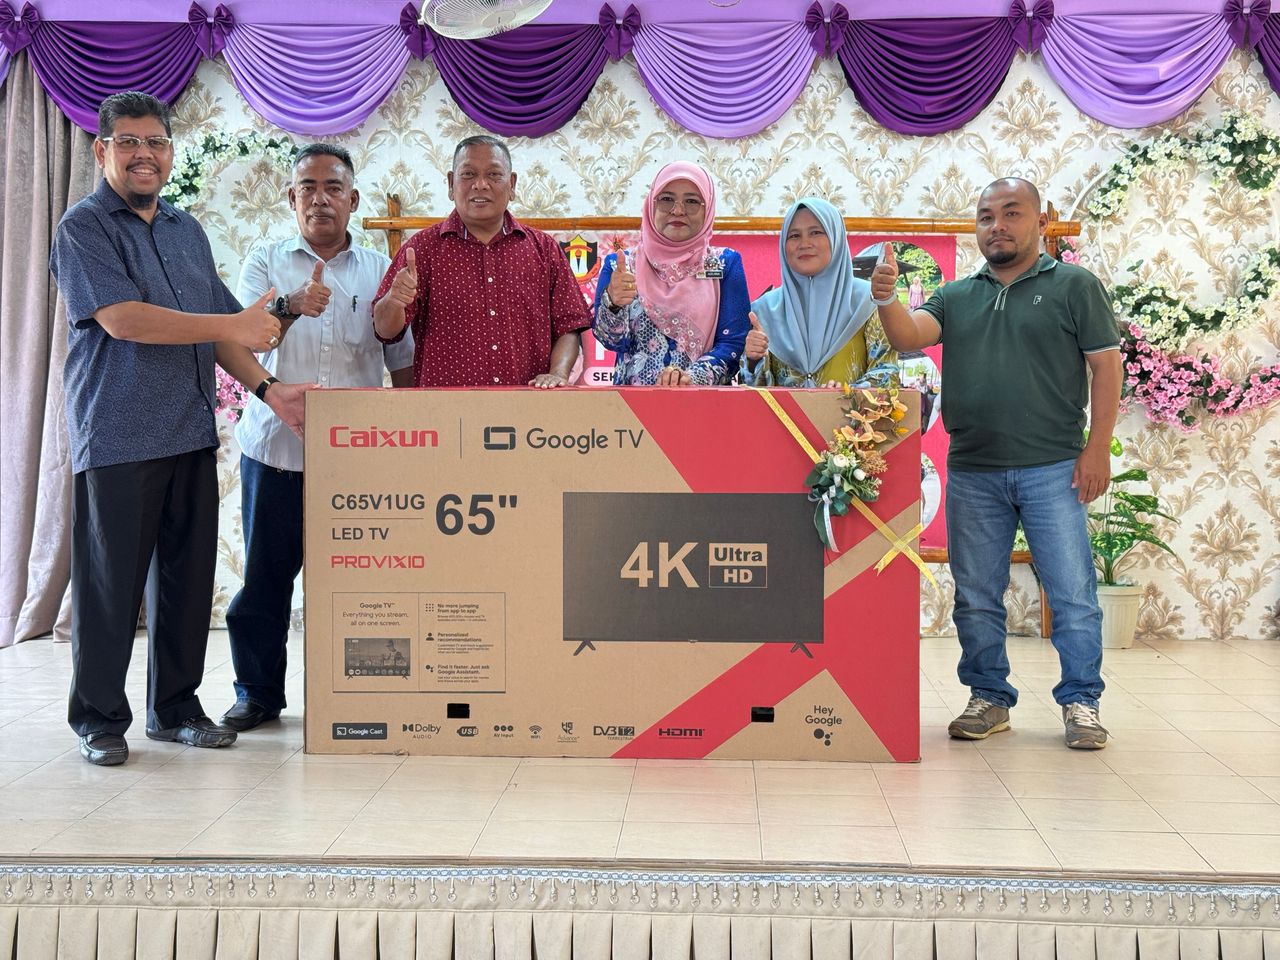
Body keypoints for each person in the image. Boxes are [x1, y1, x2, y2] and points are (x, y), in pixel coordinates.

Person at [49, 91, 312, 765]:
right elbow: (122, 319)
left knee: (185, 584)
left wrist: (270, 391)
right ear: (103, 150)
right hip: (117, 432)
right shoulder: (83, 227)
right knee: (110, 586)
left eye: (156, 142)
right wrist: (235, 324)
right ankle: (99, 720)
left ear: (170, 152)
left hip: (189, 431)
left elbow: (223, 329)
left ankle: (175, 709)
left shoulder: (184, 229)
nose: (144, 154)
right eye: (129, 142)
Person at [872, 177, 1122, 750]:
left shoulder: (1075, 286)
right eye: (987, 216)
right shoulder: (957, 295)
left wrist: (1097, 448)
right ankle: (988, 698)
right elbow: (910, 334)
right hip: (974, 470)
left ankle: (1081, 702)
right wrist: (886, 298)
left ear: (1040, 222)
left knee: (1072, 593)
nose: (998, 226)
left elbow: (1107, 368)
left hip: (1054, 468)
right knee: (976, 595)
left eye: (1012, 213)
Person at [219, 144, 414, 733]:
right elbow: (240, 342)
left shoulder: (380, 269)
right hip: (275, 452)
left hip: (359, 461)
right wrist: (290, 305)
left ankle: (363, 693)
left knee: (364, 583)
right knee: (266, 580)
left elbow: (401, 361)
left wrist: (412, 441)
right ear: (291, 198)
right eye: (308, 188)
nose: (320, 199)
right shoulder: (265, 260)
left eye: (333, 188)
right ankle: (258, 694)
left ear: (353, 199)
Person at [372, 135, 588, 385]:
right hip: (445, 406)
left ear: (512, 184)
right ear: (451, 184)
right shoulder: (421, 250)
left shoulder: (544, 250)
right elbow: (384, 331)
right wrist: (394, 301)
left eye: (494, 174)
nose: (480, 184)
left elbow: (569, 326)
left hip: (527, 405)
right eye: (468, 174)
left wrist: (558, 374)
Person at [591, 162, 749, 385]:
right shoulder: (622, 266)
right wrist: (612, 304)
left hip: (704, 400)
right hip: (631, 402)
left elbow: (733, 344)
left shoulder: (725, 264)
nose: (678, 210)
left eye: (692, 201)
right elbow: (611, 342)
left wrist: (691, 378)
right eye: (666, 199)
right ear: (651, 205)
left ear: (708, 208)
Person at [740, 197, 898, 389]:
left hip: (851, 410)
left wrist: (846, 394)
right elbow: (754, 392)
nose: (804, 243)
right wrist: (753, 361)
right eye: (794, 236)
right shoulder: (764, 309)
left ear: (835, 237)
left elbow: (887, 373)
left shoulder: (868, 300)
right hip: (783, 411)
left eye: (815, 232)